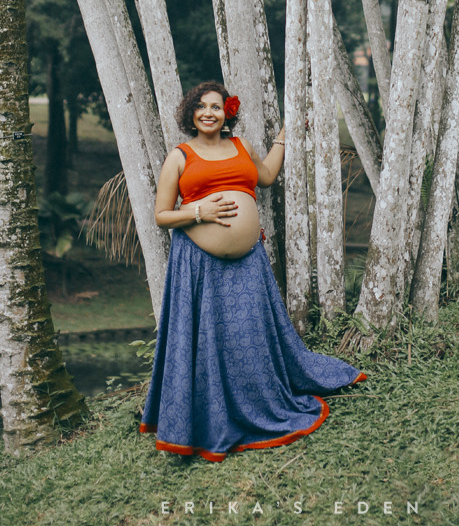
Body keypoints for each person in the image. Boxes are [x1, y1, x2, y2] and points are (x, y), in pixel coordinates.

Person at [139, 80, 366, 461]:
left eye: (216, 106)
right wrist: (201, 211)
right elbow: (162, 215)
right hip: (201, 266)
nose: (209, 113)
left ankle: (257, 403)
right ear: (191, 114)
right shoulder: (179, 156)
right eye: (201, 107)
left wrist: (285, 136)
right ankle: (209, 419)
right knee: (209, 341)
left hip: (248, 264)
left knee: (248, 337)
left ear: (226, 112)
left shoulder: (241, 146)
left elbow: (266, 177)